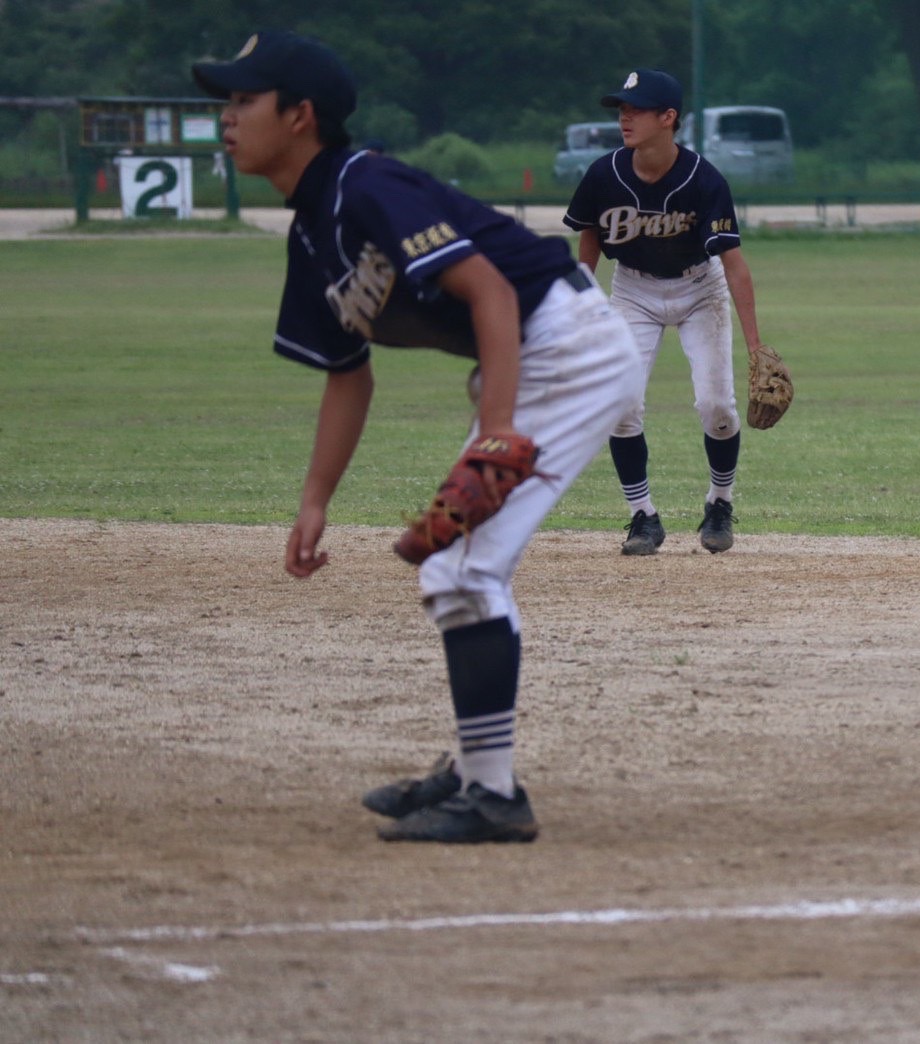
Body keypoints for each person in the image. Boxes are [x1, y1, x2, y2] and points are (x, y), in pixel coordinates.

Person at [192, 31, 641, 843]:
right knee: (459, 565)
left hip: (565, 347)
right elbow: (347, 373)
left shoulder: (365, 183)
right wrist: (313, 501)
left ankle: (494, 796)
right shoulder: (310, 235)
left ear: (299, 117)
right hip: (538, 355)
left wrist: (497, 433)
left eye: (243, 101)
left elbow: (492, 291)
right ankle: (478, 769)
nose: (227, 118)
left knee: (462, 568)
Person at [563, 69, 769, 556]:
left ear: (668, 118)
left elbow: (735, 267)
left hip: (701, 288)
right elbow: (588, 243)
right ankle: (643, 516)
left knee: (716, 406)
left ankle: (720, 503)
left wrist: (757, 346)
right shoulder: (603, 174)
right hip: (633, 291)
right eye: (622, 109)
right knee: (621, 405)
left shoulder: (703, 180)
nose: (625, 117)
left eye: (636, 109)